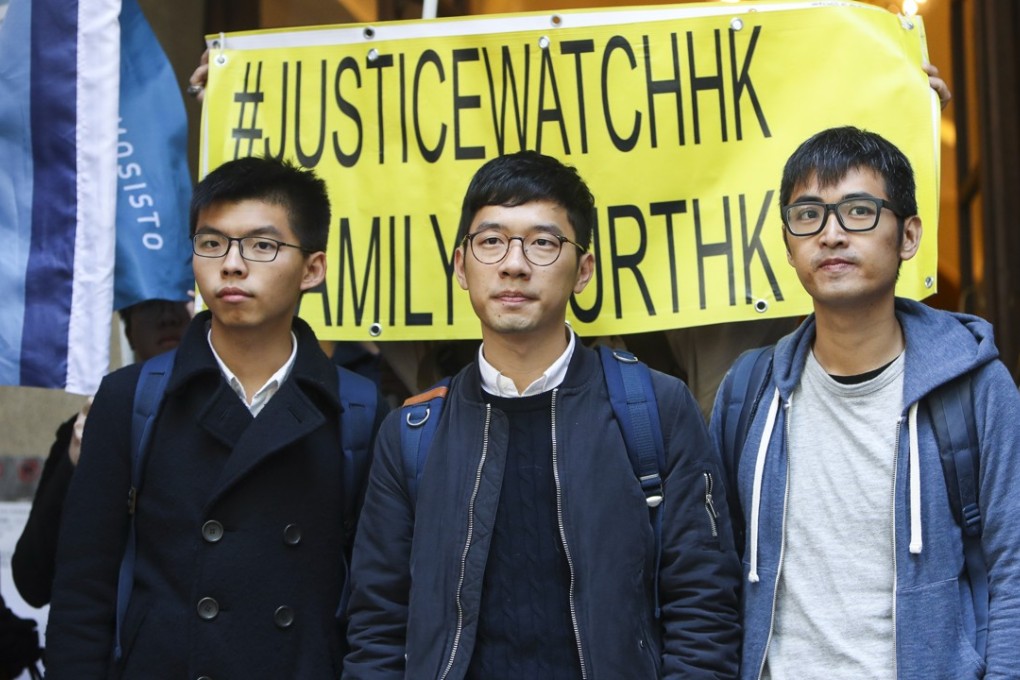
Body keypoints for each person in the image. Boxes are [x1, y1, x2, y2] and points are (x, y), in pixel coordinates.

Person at [344, 151, 741, 679]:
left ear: (584, 270)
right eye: (490, 241)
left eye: (543, 242)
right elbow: (378, 625)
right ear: (461, 267)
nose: (514, 264)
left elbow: (704, 605)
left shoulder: (655, 409)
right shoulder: (413, 432)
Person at [45, 156, 388, 679]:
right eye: (211, 243)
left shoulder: (359, 408)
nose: (231, 264)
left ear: (313, 269)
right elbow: (82, 591)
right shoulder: (131, 397)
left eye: (262, 245)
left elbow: (377, 601)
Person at [709, 126, 1020, 678]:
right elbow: (714, 574)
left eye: (858, 211)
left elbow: (1012, 572)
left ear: (908, 236)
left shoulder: (976, 387)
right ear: (787, 243)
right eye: (808, 215)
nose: (830, 235)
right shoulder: (747, 391)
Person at [12, 299, 191, 609]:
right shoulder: (87, 428)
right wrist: (74, 464)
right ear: (128, 330)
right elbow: (33, 581)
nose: (167, 318)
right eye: (150, 305)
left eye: (179, 301)